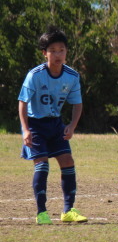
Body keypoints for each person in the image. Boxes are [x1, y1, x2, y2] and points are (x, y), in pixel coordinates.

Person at [18, 27, 87, 225]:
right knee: (42, 165)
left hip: (56, 124)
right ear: (44, 53)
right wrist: (25, 129)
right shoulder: (35, 75)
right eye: (53, 50)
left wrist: (72, 125)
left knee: (67, 161)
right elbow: (22, 102)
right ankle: (42, 213)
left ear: (66, 52)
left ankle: (68, 211)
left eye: (62, 50)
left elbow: (77, 104)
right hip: (36, 125)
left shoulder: (72, 76)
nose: (58, 54)